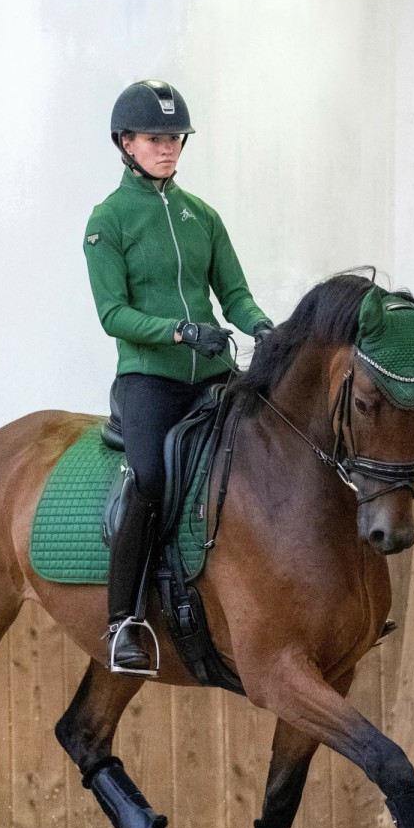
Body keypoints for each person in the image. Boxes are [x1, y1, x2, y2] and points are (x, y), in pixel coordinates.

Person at [84, 79, 273, 673]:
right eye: (155, 137)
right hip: (151, 379)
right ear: (126, 142)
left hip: (214, 374)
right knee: (147, 476)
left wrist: (265, 328)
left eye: (175, 138)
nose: (167, 147)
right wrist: (180, 331)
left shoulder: (203, 217)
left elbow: (234, 295)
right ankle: (124, 621)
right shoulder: (107, 221)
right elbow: (112, 313)